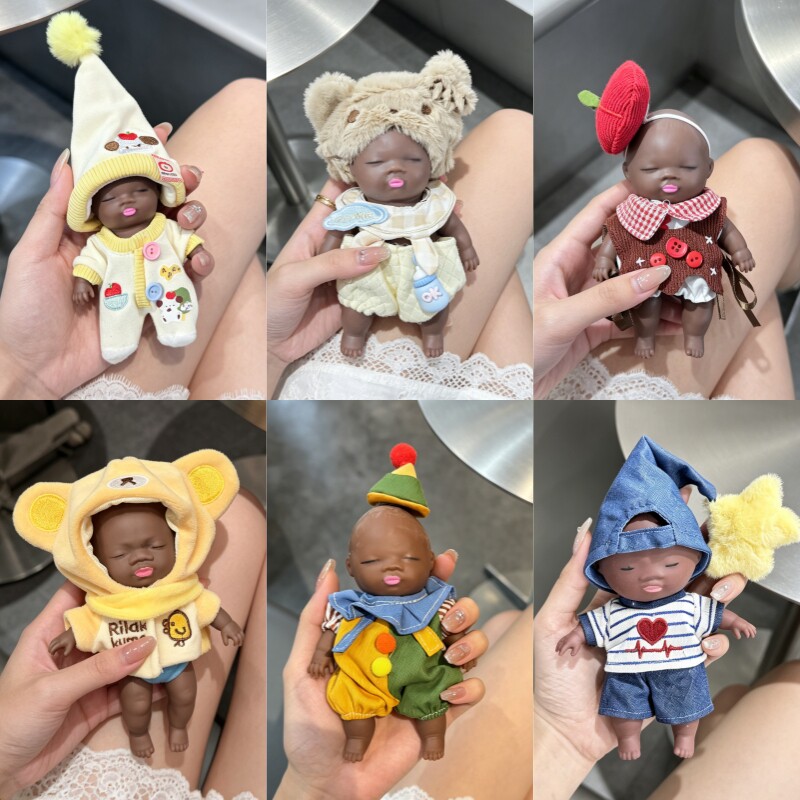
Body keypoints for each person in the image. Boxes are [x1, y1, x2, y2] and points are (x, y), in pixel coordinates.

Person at [0, 78, 266, 399]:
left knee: (201, 288)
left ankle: (178, 326)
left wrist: (198, 253)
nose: (127, 200)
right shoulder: (101, 242)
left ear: (158, 192)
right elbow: (89, 261)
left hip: (168, 288)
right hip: (118, 300)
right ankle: (118, 341)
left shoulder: (163, 226)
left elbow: (184, 239)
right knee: (251, 98)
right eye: (111, 199)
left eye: (140, 190)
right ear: (94, 210)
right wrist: (82, 281)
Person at [0, 490, 266, 800]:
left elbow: (207, 607)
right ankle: (138, 734)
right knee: (135, 708)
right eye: (120, 555)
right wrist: (70, 636)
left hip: (177, 664)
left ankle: (178, 726)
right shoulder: (109, 604)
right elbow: (89, 623)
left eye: (155, 546)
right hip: (134, 673)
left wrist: (227, 625)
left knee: (185, 698)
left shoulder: (181, 591)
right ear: (99, 563)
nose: (141, 557)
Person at [267, 109, 533, 399]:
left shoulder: (432, 204)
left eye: (413, 160)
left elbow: (454, 226)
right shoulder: (357, 206)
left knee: (434, 308)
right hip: (370, 269)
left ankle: (432, 333)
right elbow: (335, 233)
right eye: (376, 162)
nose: (395, 169)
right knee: (357, 307)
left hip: (422, 265)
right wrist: (324, 262)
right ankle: (354, 335)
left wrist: (467, 248)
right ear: (352, 170)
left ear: (431, 166)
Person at [534, 137, 800, 399]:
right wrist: (604, 260)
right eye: (651, 169)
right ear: (628, 172)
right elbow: (615, 237)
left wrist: (739, 250)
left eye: (687, 167)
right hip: (645, 273)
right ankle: (645, 337)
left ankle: (695, 335)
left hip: (696, 271)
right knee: (646, 307)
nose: (669, 176)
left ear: (708, 168)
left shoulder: (707, 208)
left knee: (701, 305)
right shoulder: (633, 211)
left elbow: (726, 230)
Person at [278, 552, 533, 800]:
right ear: (351, 566)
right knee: (353, 703)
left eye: (409, 559)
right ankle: (356, 740)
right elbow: (330, 630)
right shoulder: (351, 607)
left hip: (417, 670)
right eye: (372, 560)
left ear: (429, 563)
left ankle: (432, 737)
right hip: (362, 678)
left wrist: (457, 642)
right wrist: (321, 654)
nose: (393, 567)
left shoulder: (431, 602)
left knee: (431, 693)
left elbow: (449, 629)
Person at [534, 515, 749, 797]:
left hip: (681, 670)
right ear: (602, 572)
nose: (650, 576)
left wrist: (736, 622)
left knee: (687, 707)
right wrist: (575, 636)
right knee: (625, 711)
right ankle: (628, 738)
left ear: (696, 560)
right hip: (625, 673)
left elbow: (716, 614)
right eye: (627, 567)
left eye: (670, 564)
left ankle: (685, 736)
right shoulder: (614, 610)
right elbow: (590, 626)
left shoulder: (690, 603)